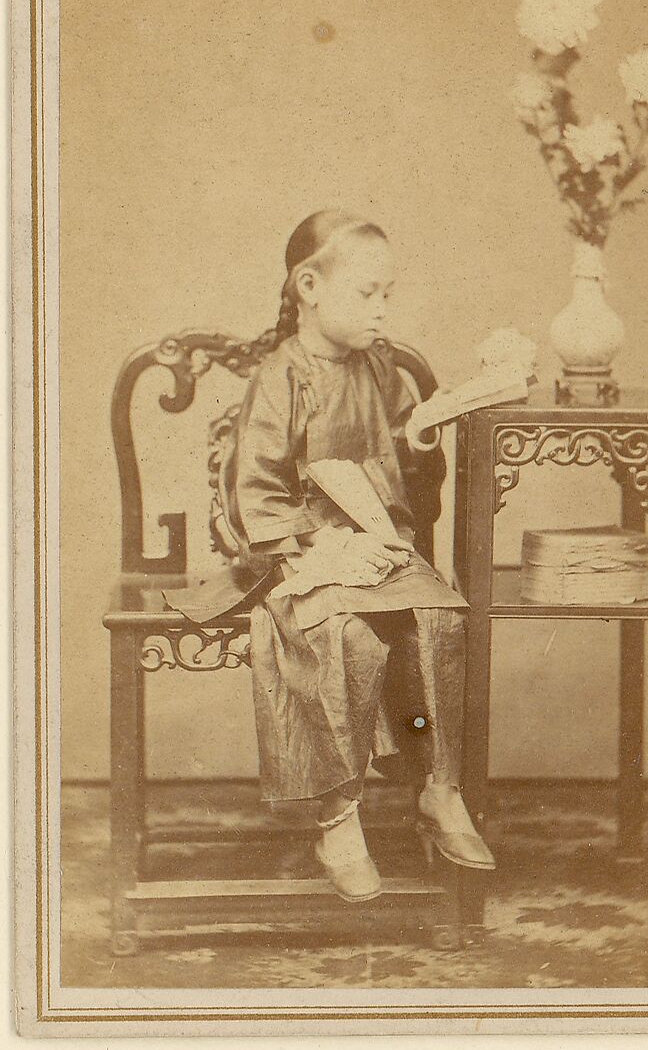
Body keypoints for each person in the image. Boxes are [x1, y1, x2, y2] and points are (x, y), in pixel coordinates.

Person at [174, 209, 496, 902]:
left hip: (380, 548)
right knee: (341, 636)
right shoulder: (280, 377)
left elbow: (409, 482)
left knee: (440, 620)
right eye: (367, 294)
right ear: (309, 286)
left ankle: (438, 787)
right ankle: (338, 815)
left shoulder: (382, 371)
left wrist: (422, 444)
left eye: (388, 295)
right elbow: (253, 494)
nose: (382, 310)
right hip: (302, 553)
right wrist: (321, 541)